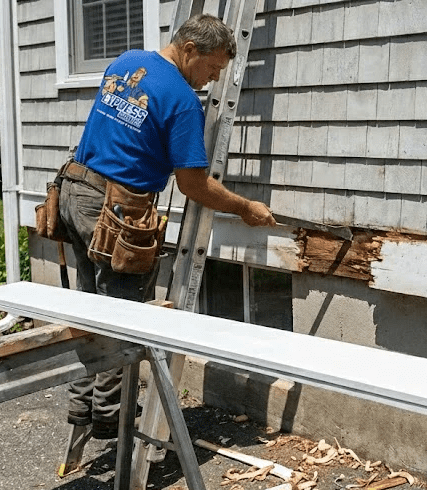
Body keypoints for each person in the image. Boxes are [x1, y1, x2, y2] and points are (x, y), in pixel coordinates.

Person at [57, 13, 275, 439]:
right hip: (115, 208)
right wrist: (245, 207)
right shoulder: (180, 98)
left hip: (74, 190)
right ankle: (110, 415)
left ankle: (83, 404)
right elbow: (193, 184)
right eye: (212, 67)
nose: (212, 80)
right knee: (124, 315)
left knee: (88, 308)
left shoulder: (127, 61)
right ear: (189, 49)